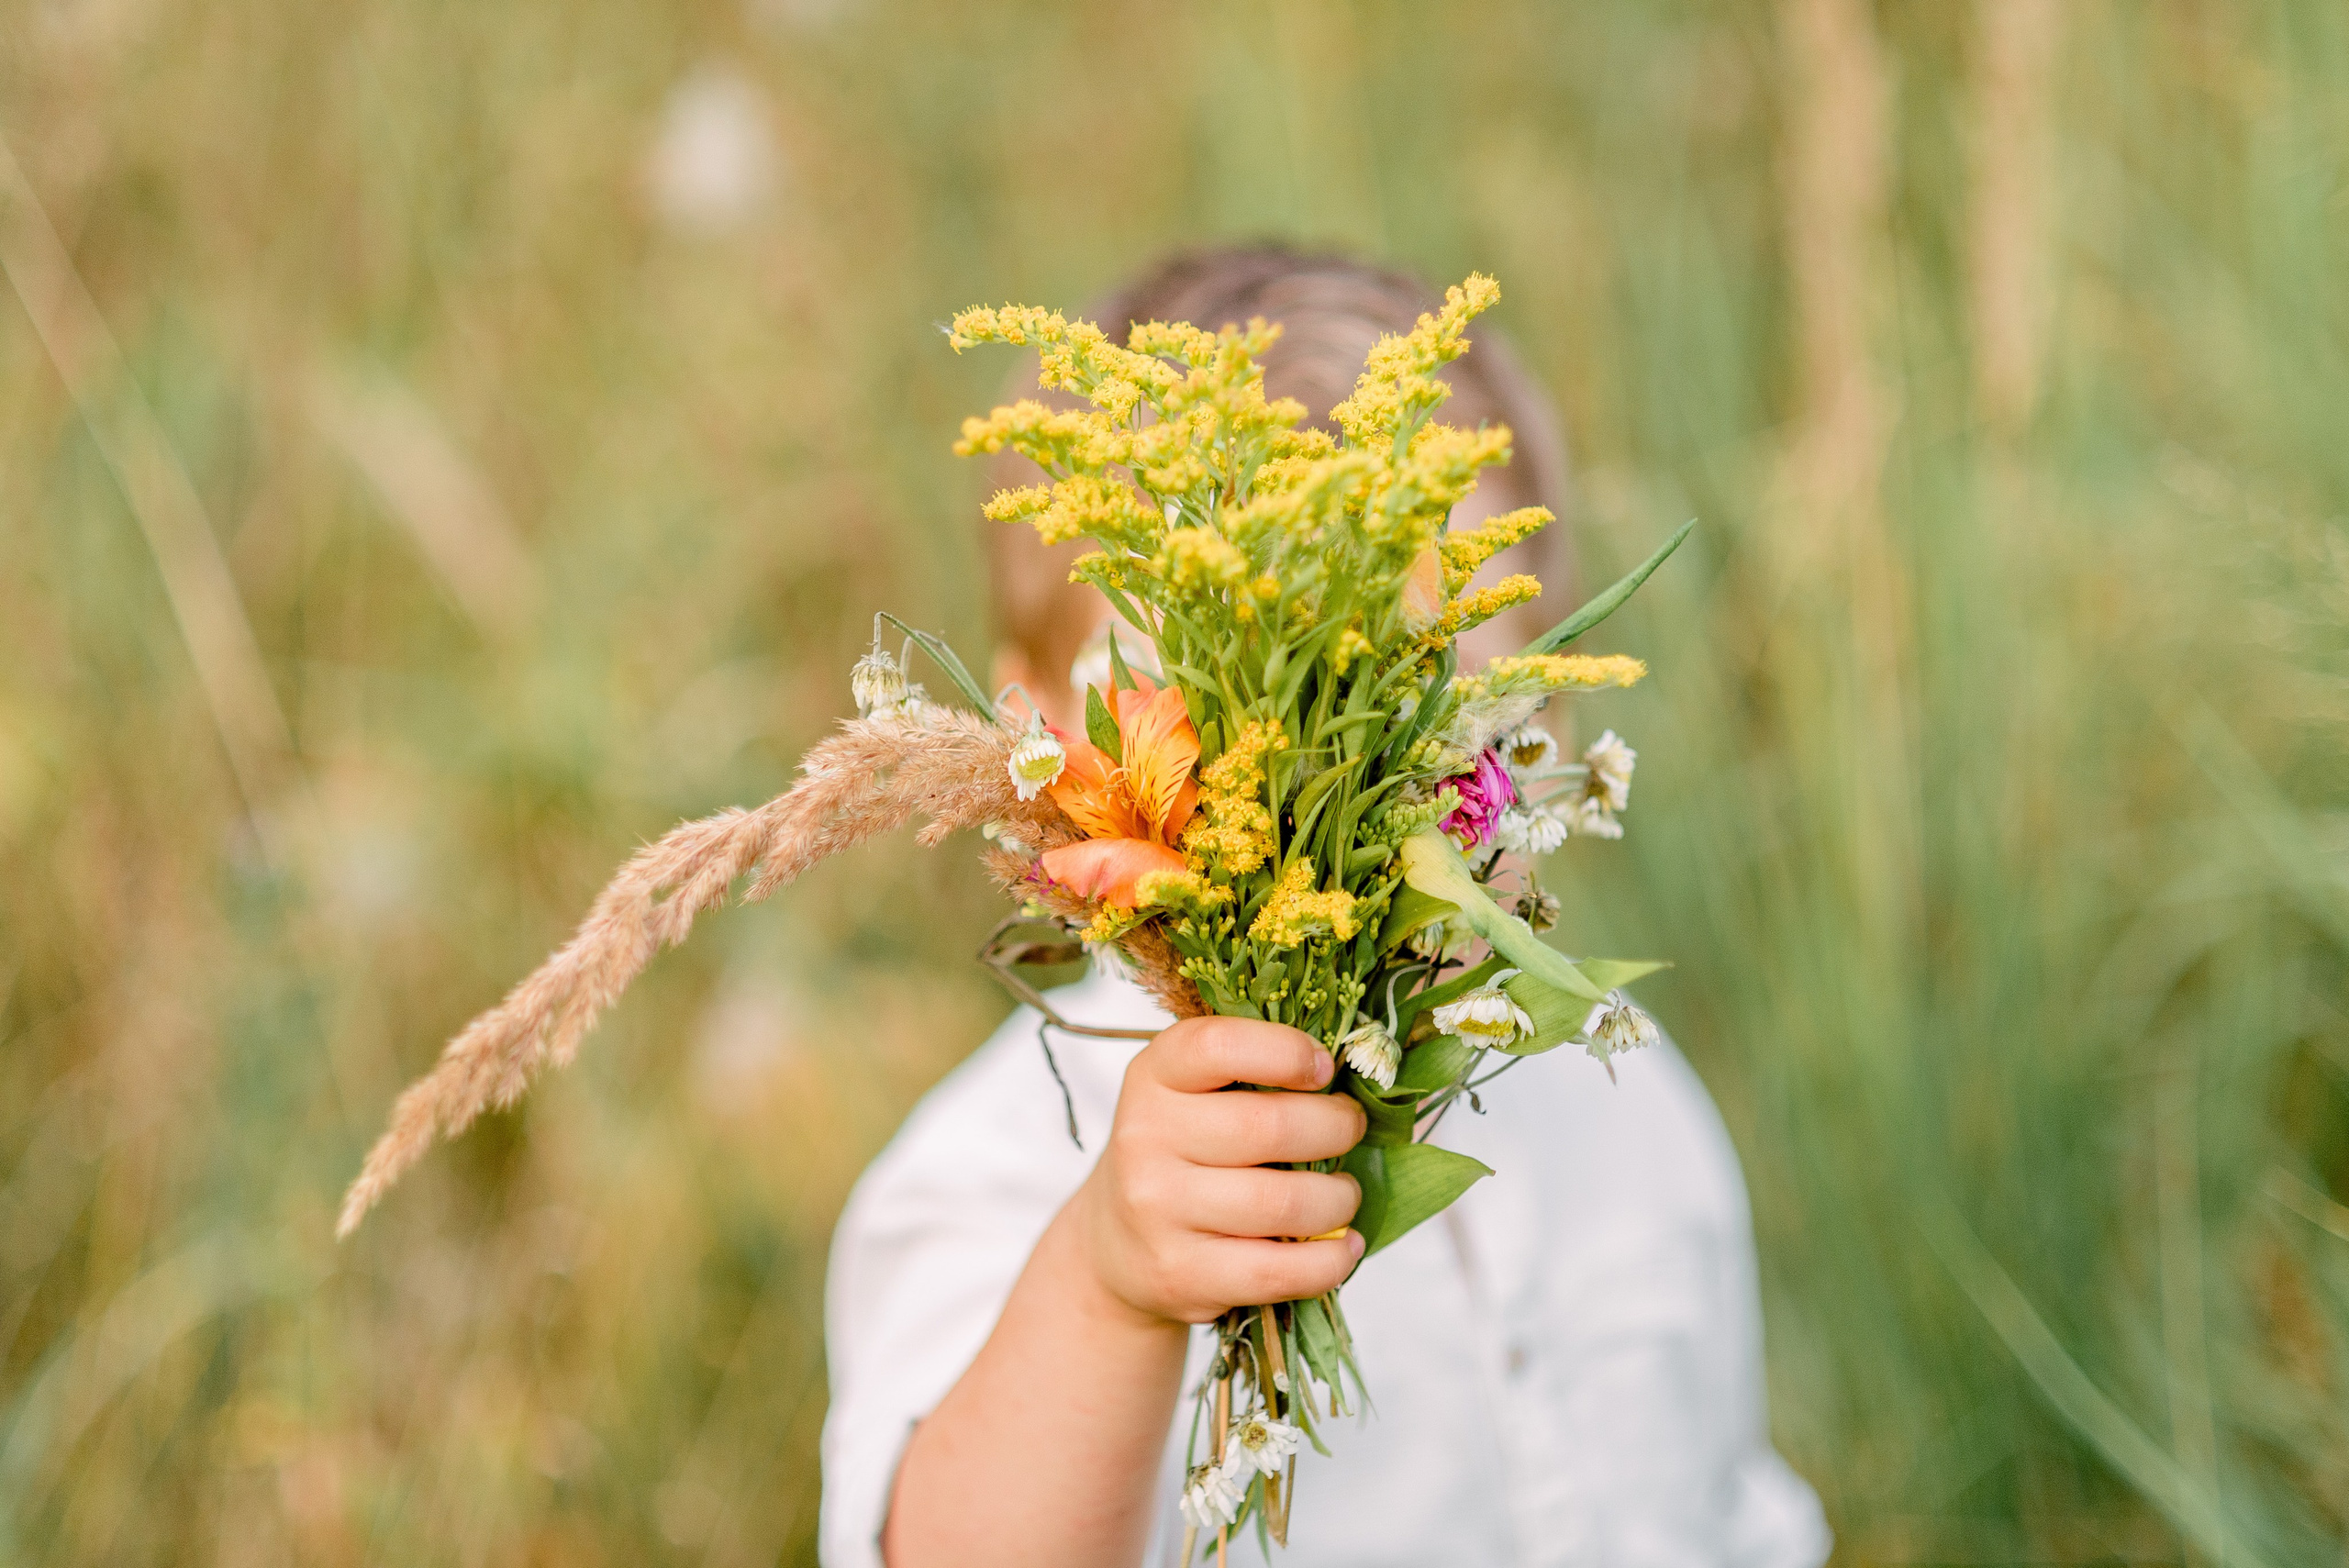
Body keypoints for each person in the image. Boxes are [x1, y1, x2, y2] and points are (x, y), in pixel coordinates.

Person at [818, 249, 1830, 1568]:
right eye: (1232, 742)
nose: (1329, 834)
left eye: (1424, 718)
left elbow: (1721, 1507)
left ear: (1553, 716)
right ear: (1041, 749)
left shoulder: (1631, 1104)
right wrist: (1112, 1286)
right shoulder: (1003, 1167)